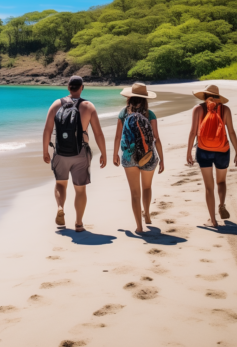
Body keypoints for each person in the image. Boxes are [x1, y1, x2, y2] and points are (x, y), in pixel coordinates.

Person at [42, 75, 107, 232]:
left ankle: (59, 207)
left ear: (68, 87)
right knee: (80, 189)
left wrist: (45, 151)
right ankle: (78, 223)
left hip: (60, 151)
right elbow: (98, 133)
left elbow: (47, 130)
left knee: (60, 184)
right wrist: (104, 153)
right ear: (82, 88)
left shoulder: (56, 104)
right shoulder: (88, 106)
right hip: (80, 152)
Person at [185, 84, 237, 228]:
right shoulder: (225, 109)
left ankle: (213, 220)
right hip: (222, 150)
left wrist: (188, 152)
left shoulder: (198, 109)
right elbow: (232, 132)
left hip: (203, 150)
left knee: (209, 187)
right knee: (221, 182)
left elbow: (192, 132)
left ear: (204, 95)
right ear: (218, 96)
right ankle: (221, 205)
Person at [112, 82, 164, 234]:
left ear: (129, 98)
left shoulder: (123, 113)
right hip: (148, 156)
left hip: (129, 157)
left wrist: (115, 154)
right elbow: (156, 138)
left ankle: (139, 227)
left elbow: (117, 136)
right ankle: (146, 214)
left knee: (135, 192)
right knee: (146, 187)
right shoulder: (150, 114)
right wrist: (161, 159)